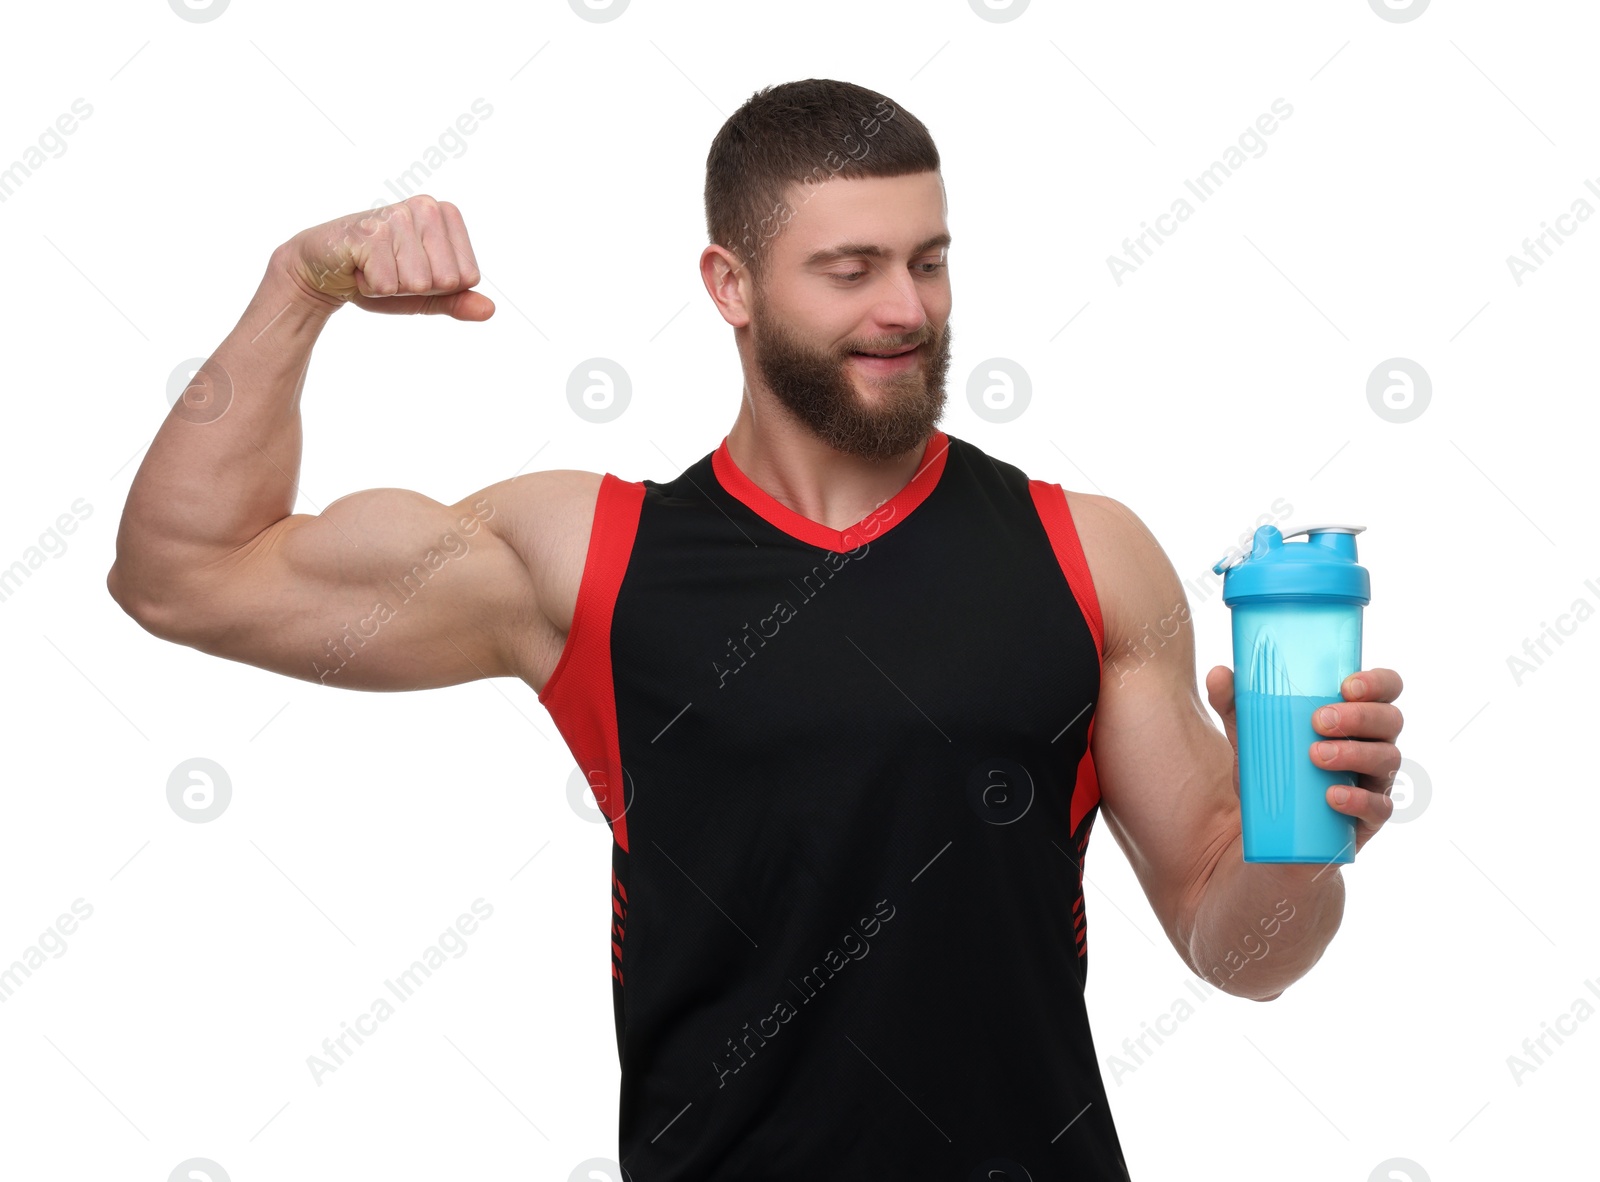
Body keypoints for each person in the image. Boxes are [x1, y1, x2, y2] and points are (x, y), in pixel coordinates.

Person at [108, 78, 1406, 1181]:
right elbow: (185, 574)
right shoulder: (586, 559)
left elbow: (1244, 954)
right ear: (730, 284)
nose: (906, 307)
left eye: (927, 260)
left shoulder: (1087, 553)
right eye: (850, 270)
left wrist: (1303, 830)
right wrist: (299, 286)